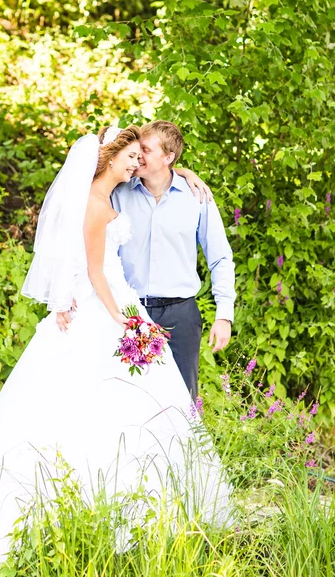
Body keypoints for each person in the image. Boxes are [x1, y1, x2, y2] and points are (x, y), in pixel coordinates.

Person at [0, 126, 232, 562]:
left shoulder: (173, 192)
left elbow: (203, 247)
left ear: (166, 158)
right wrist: (103, 313)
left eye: (144, 155)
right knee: (86, 406)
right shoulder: (111, 193)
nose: (137, 162)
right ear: (114, 157)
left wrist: (184, 172)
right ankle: (94, 507)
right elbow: (91, 265)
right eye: (133, 155)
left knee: (166, 406)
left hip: (163, 309)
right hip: (117, 307)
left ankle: (168, 509)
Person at [58, 121, 235, 399]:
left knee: (181, 402)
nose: (138, 156)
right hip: (129, 311)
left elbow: (221, 257)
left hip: (180, 315)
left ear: (168, 158)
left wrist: (224, 314)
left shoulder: (196, 196)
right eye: (136, 150)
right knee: (128, 400)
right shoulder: (118, 191)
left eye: (146, 150)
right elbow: (85, 244)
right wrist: (67, 291)